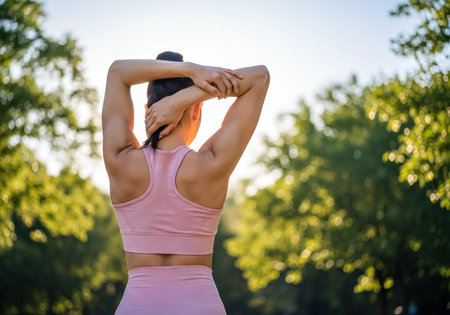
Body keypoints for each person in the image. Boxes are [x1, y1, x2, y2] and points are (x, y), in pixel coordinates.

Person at [102, 51, 270, 314]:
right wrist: (187, 97)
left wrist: (190, 71)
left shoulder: (120, 161)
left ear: (148, 110)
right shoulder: (212, 163)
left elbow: (117, 73)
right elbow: (259, 78)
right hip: (201, 305)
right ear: (196, 110)